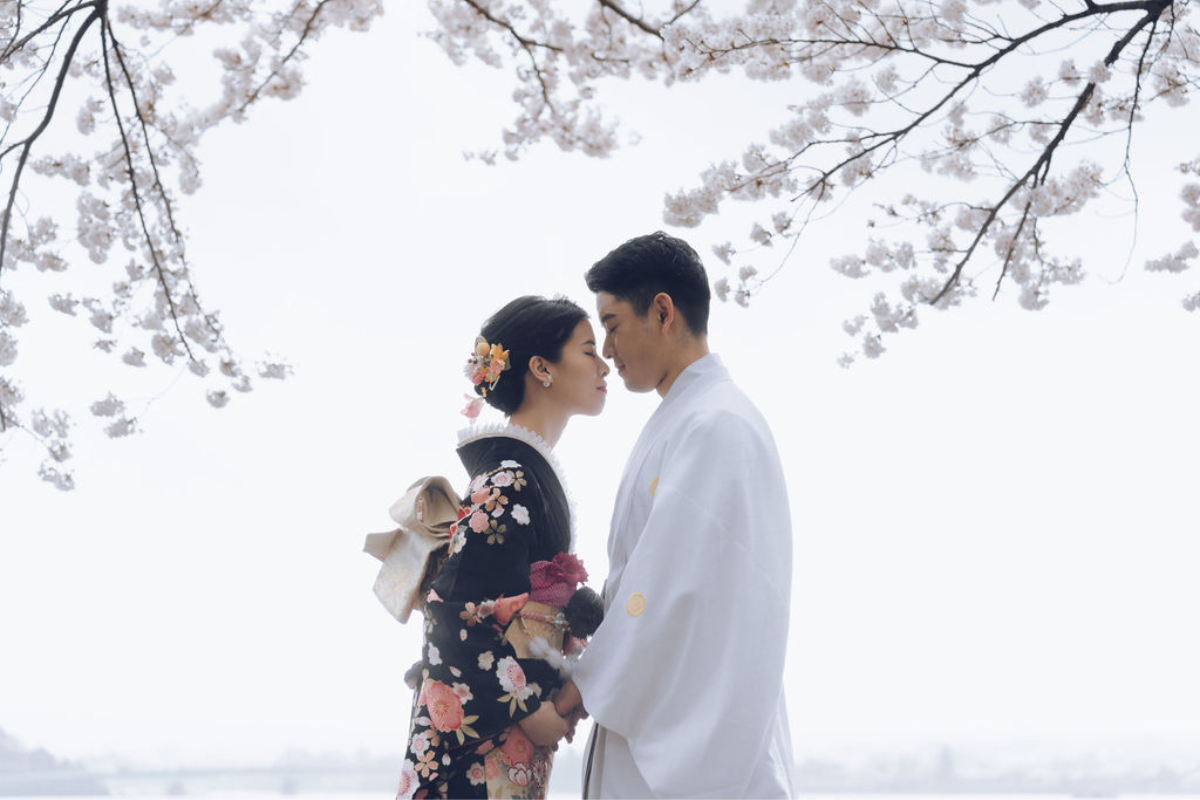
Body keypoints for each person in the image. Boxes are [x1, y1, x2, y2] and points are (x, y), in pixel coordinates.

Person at [553, 232, 797, 798]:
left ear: (661, 311)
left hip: (693, 735)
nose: (607, 351)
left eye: (611, 325)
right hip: (668, 702)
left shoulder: (714, 424)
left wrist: (577, 690)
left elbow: (664, 588)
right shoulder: (696, 416)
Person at [396, 295, 609, 799]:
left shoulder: (518, 475)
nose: (605, 366)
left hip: (511, 734)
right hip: (487, 744)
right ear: (541, 368)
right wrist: (527, 707)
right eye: (588, 351)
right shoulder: (509, 479)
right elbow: (451, 614)